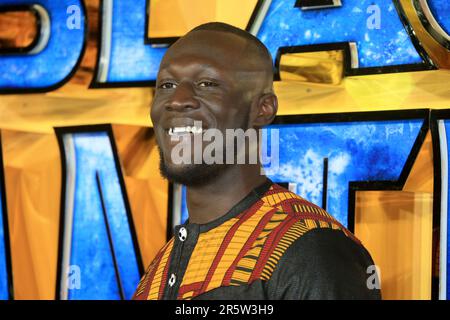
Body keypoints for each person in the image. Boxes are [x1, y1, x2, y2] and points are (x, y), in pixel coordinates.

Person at [132, 22, 381, 300]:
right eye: (167, 84)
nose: (177, 100)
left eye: (207, 84)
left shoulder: (310, 247)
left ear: (263, 109)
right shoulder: (157, 272)